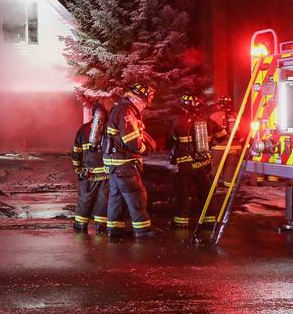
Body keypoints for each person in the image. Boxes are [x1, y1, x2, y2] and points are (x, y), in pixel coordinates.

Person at [102, 83, 157, 239]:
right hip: (124, 164)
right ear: (136, 99)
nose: (144, 107)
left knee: (116, 197)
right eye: (143, 103)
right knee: (136, 195)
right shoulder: (127, 111)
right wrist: (144, 150)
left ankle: (114, 231)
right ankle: (143, 231)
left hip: (115, 164)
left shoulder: (121, 108)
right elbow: (131, 140)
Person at [166, 94, 228, 229]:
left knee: (183, 192)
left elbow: (170, 141)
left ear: (183, 107)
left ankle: (180, 222)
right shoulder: (207, 120)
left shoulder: (177, 121)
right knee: (206, 191)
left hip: (184, 163)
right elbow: (223, 136)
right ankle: (209, 220)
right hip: (203, 163)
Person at [71, 103, 110, 233]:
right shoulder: (108, 129)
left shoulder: (83, 129)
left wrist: (78, 169)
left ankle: (81, 226)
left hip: (88, 174)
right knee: (103, 201)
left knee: (85, 200)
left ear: (92, 114)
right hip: (105, 175)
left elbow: (77, 152)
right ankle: (101, 227)